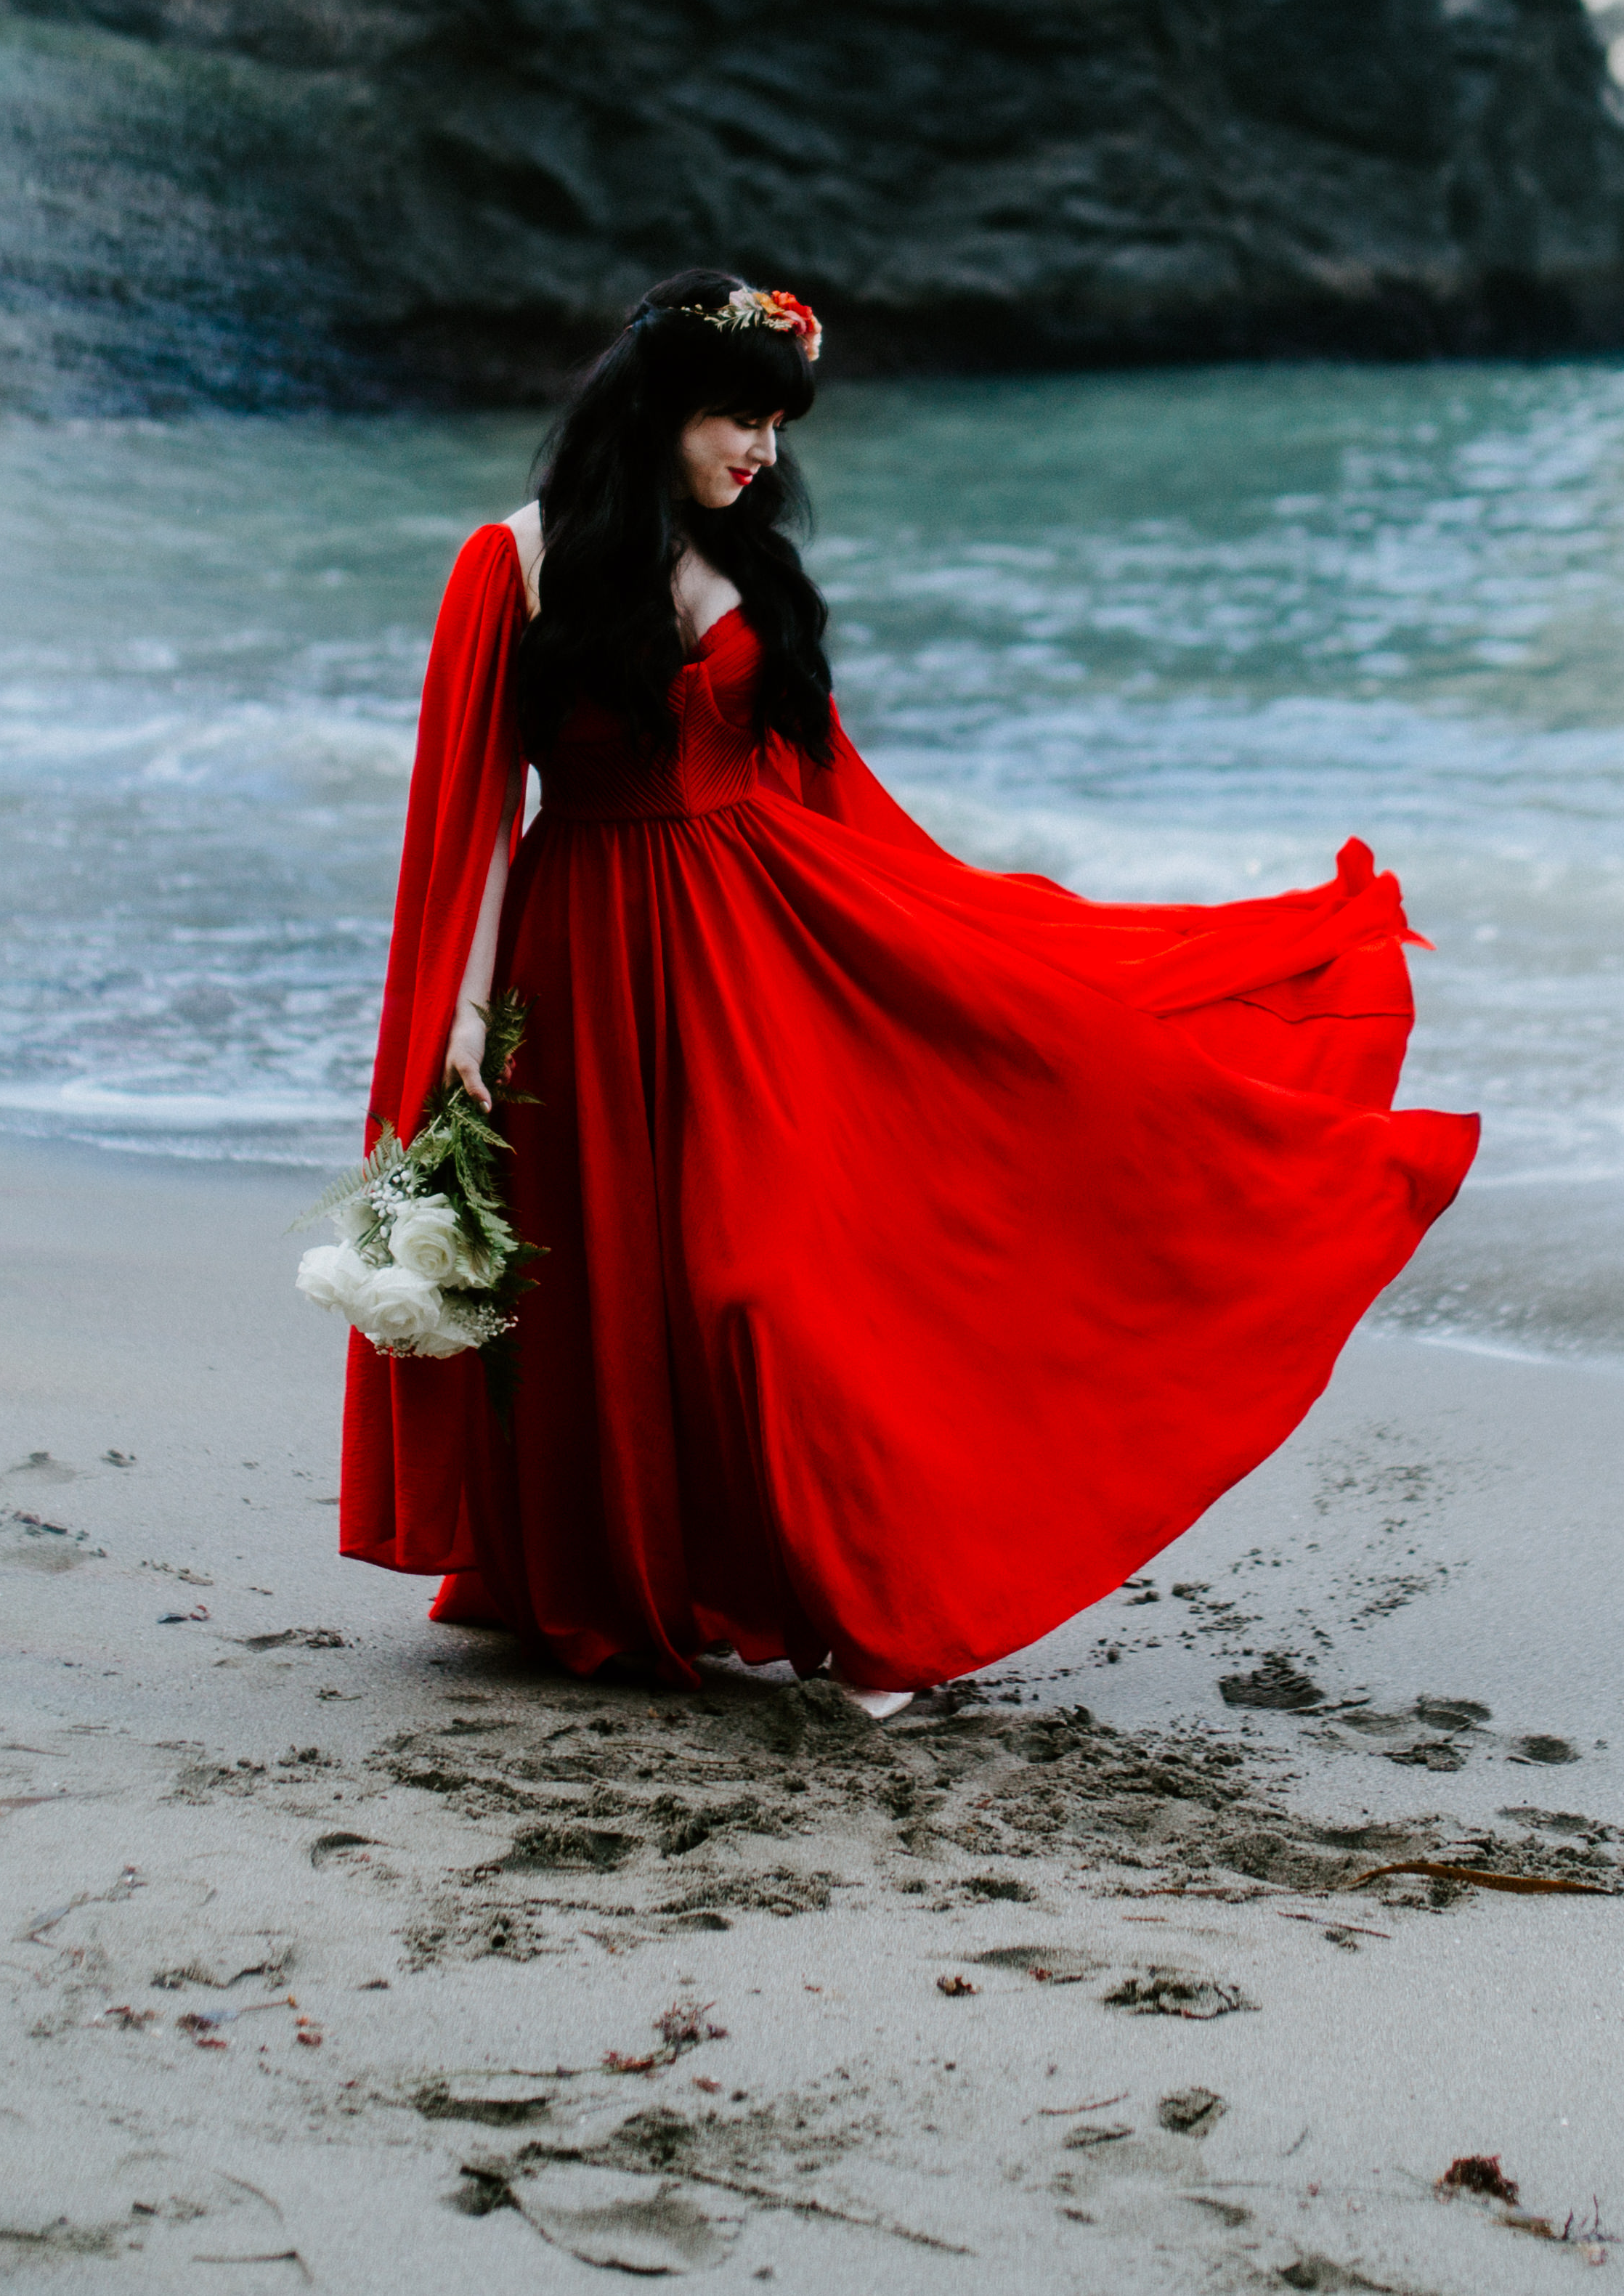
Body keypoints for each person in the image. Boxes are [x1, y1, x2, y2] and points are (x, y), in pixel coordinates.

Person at [340, 269, 1477, 1700]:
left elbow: (823, 795)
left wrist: (941, 950)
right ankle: (598, 1575)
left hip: (751, 946)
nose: (759, 452)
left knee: (764, 1280)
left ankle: (859, 1600)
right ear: (653, 410)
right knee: (610, 1283)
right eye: (733, 418)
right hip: (576, 957)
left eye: (773, 424)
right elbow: (475, 810)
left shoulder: (752, 567)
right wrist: (452, 1015)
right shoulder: (510, 562)